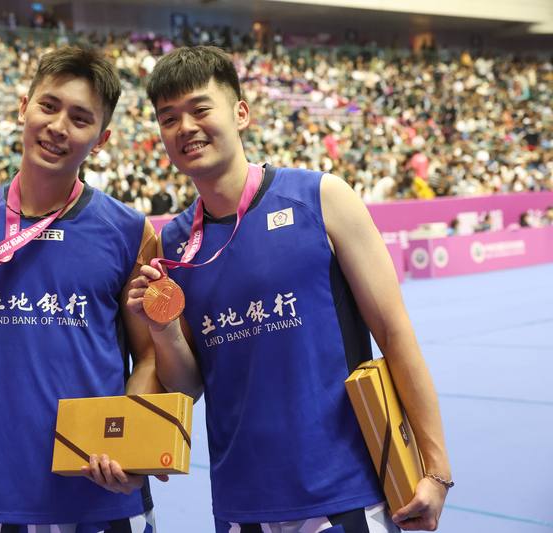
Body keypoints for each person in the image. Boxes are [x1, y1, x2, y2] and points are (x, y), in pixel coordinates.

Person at [127, 46, 452, 532]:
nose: (185, 128)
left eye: (200, 109)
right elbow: (189, 385)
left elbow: (393, 330)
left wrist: (436, 469)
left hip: (343, 496)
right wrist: (166, 330)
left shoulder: (322, 199)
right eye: (168, 118)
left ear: (241, 112)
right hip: (241, 505)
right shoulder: (173, 243)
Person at [0, 46, 162, 533]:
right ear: (23, 106)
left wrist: (131, 449)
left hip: (102, 491)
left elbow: (151, 357)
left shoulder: (129, 230)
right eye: (48, 106)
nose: (58, 127)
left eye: (80, 118)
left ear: (102, 139)